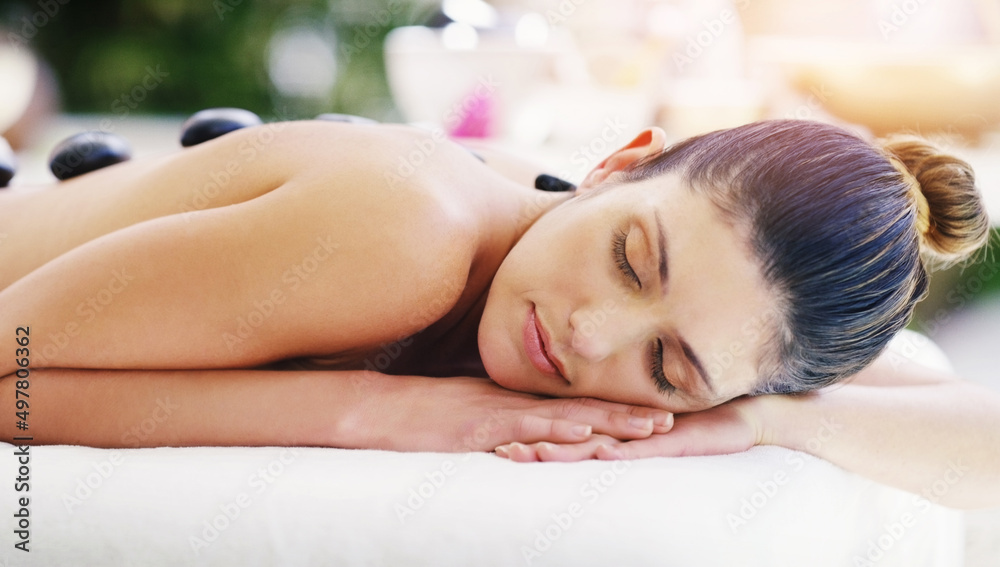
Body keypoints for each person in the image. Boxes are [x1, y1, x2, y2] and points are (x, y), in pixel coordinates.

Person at [0, 118, 997, 509]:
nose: (591, 335)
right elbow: (14, 372)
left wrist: (758, 417)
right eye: (627, 258)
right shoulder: (405, 231)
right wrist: (373, 413)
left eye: (668, 369)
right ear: (616, 161)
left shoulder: (728, 312)